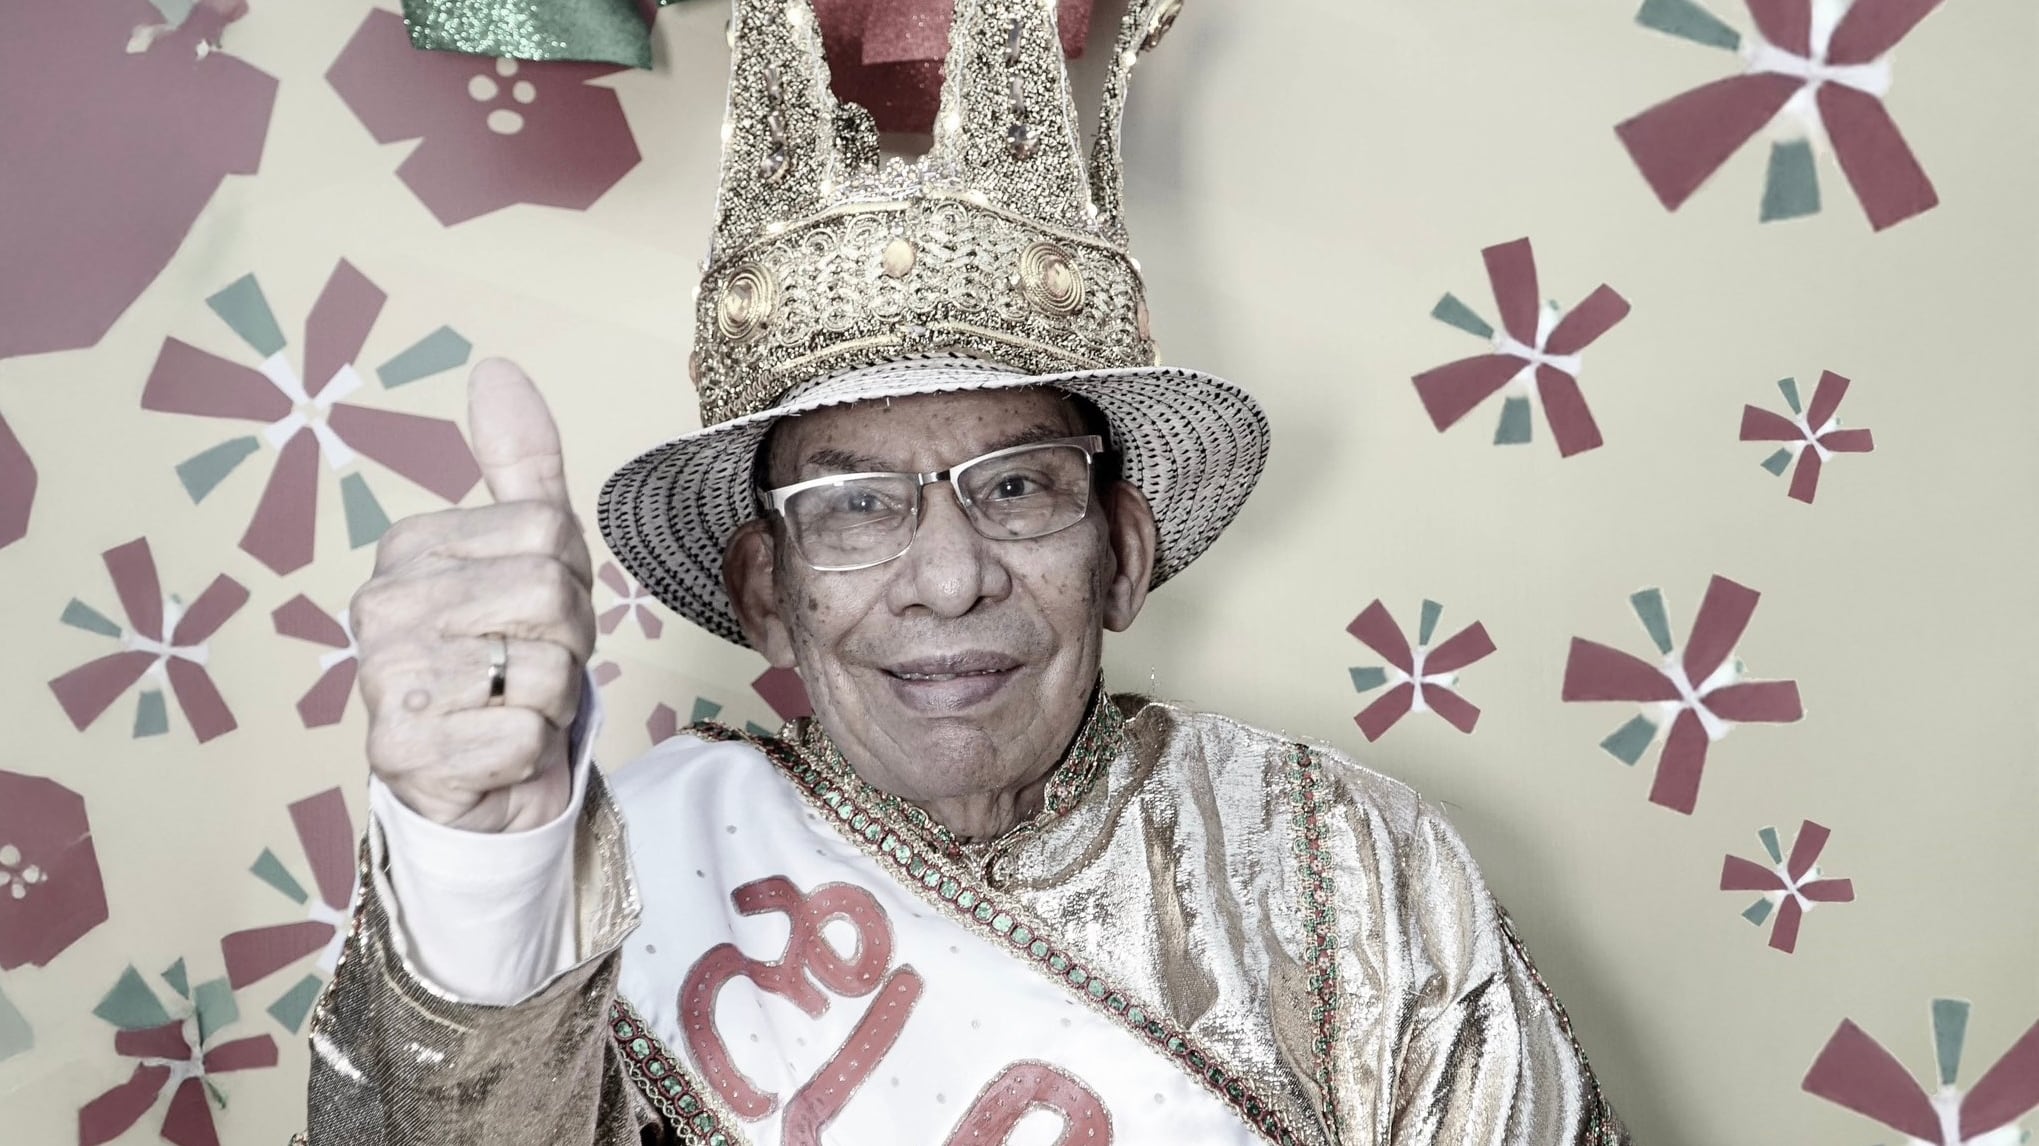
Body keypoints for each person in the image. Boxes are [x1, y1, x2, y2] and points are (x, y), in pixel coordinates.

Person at [304, 1, 1630, 1143]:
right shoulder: (617, 872)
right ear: (765, 587)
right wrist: (473, 866)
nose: (947, 576)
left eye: (1016, 486)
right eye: (854, 503)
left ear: (1123, 551)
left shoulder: (1352, 864)